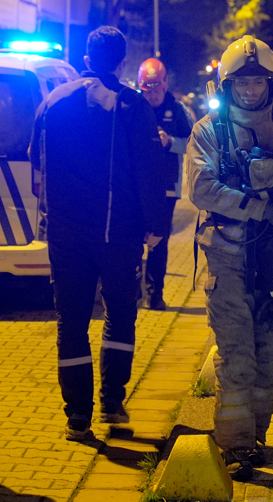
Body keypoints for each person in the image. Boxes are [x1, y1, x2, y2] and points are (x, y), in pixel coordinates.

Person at [29, 26, 168, 441]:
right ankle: (111, 401)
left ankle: (77, 416)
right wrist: (155, 225)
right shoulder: (132, 105)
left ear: (86, 59)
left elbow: (36, 157)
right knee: (120, 313)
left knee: (71, 322)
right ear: (123, 63)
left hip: (65, 233)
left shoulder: (53, 100)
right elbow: (148, 169)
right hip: (118, 233)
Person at [187, 35, 273, 481]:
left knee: (269, 353)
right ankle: (235, 445)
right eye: (241, 83)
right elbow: (201, 189)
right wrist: (261, 208)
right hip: (228, 258)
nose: (250, 90)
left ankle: (255, 437)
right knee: (237, 355)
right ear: (227, 85)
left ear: (271, 84)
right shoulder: (208, 131)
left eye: (258, 82)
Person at [137, 58, 195, 310]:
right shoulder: (134, 106)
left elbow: (194, 144)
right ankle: (132, 293)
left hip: (166, 188)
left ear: (165, 85)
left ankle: (155, 294)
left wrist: (170, 142)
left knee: (158, 241)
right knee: (133, 238)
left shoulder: (178, 110)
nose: (152, 96)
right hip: (136, 186)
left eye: (156, 91)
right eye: (147, 91)